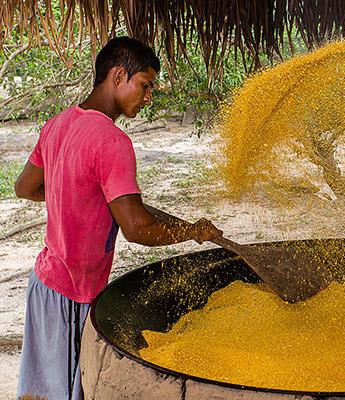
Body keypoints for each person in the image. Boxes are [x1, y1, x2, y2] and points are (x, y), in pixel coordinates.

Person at [13, 36, 222, 400]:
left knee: (43, 392)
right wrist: (191, 231)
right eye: (144, 85)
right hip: (71, 295)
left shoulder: (58, 124)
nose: (147, 97)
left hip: (43, 284)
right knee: (67, 392)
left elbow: (26, 187)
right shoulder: (111, 141)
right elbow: (137, 228)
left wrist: (79, 194)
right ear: (118, 74)